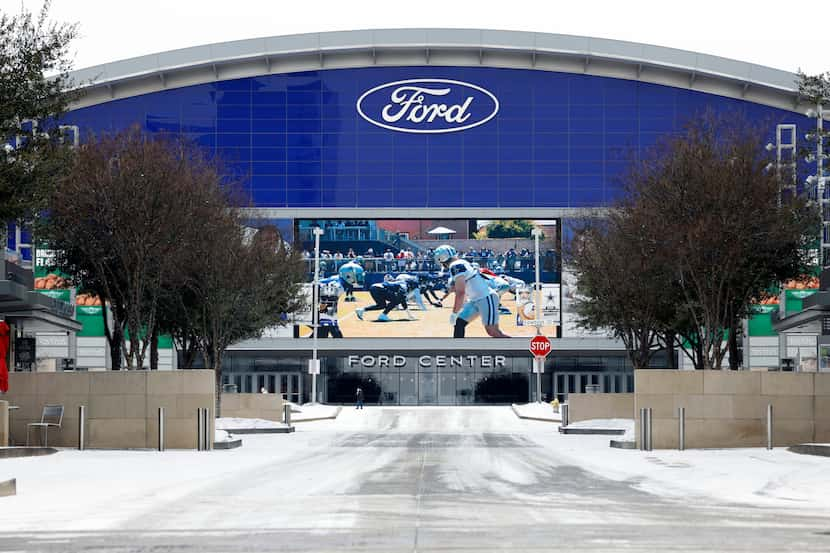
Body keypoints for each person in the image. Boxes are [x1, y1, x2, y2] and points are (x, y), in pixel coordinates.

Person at [434, 244, 510, 338]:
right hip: (476, 300)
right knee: (459, 323)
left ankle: (518, 347)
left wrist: (454, 312)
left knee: (493, 331)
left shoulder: (456, 265)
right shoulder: (459, 263)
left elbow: (460, 292)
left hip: (485, 297)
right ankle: (457, 351)